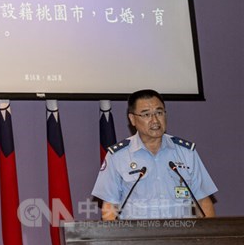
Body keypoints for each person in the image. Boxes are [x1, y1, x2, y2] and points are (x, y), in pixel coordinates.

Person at [92, 89, 217, 220]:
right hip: (136, 238)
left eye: (159, 112)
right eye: (146, 115)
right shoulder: (117, 156)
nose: (155, 120)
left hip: (181, 236)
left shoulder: (186, 153)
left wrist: (209, 238)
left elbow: (203, 201)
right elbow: (110, 207)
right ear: (132, 119)